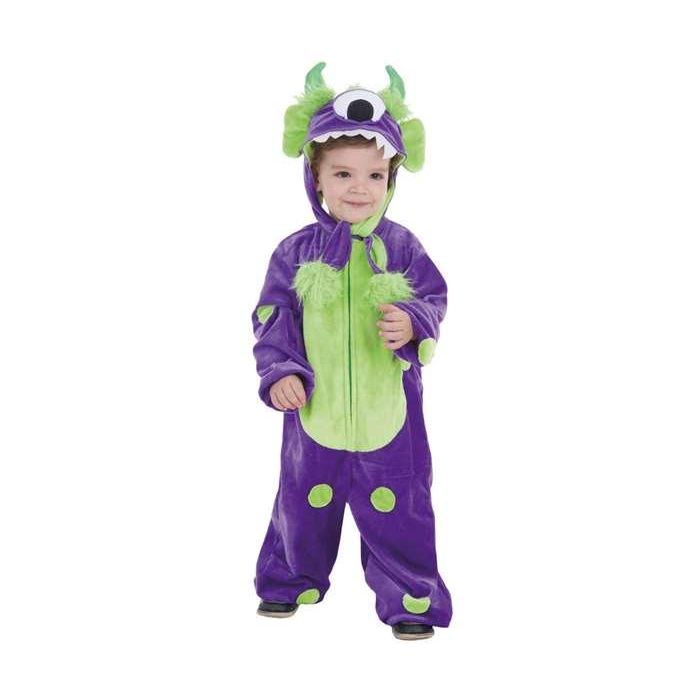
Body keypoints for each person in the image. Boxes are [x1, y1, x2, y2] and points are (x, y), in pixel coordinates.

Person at [251, 62, 452, 641]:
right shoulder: (295, 252)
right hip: (315, 413)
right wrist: (280, 371)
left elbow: (434, 298)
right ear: (315, 177)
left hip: (391, 415)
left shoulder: (402, 247)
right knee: (300, 504)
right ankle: (290, 580)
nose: (359, 188)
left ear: (391, 179)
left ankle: (412, 596)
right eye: (342, 173)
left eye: (374, 175)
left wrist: (413, 323)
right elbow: (272, 317)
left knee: (401, 509)